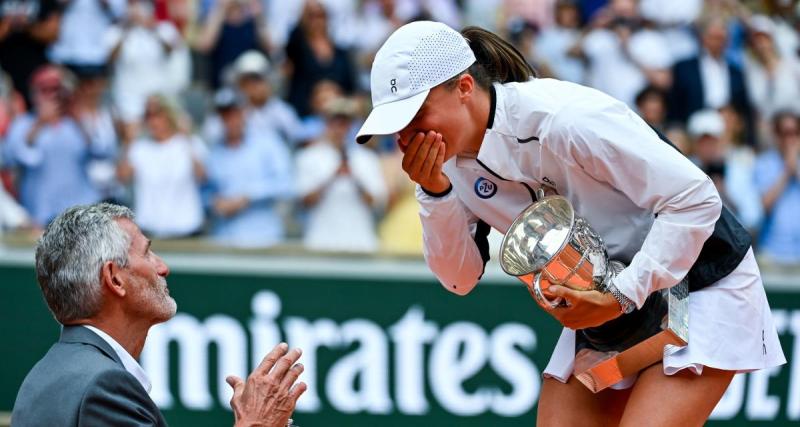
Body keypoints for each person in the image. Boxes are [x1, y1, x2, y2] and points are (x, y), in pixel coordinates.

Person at [355, 21, 786, 425]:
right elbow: (459, 279)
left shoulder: (565, 118)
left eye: (415, 115)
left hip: (699, 280)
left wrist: (621, 294)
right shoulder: (443, 169)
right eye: (396, 126)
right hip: (610, 302)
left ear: (465, 87)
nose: (407, 137)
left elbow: (695, 198)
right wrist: (435, 194)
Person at [11, 203, 306, 426]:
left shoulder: (41, 378)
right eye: (148, 253)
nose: (163, 267)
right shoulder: (104, 386)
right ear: (114, 279)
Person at [205, 88, 294, 248]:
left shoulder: (268, 142)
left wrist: (247, 197)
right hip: (224, 238)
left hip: (263, 239)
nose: (230, 120)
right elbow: (207, 191)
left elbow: (286, 184)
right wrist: (215, 203)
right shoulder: (214, 152)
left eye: (234, 113)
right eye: (225, 115)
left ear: (244, 113)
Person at [297, 97, 387, 252]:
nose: (339, 129)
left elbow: (376, 204)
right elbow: (304, 202)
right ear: (326, 124)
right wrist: (332, 177)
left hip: (361, 243)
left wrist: (355, 179)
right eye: (334, 122)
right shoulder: (308, 157)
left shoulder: (367, 159)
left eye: (344, 123)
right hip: (321, 242)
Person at [117, 95, 206, 238]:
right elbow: (122, 177)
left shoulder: (189, 143)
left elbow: (202, 176)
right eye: (148, 115)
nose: (152, 121)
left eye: (158, 114)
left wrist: (188, 135)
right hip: (149, 230)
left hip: (186, 230)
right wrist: (128, 141)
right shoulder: (140, 148)